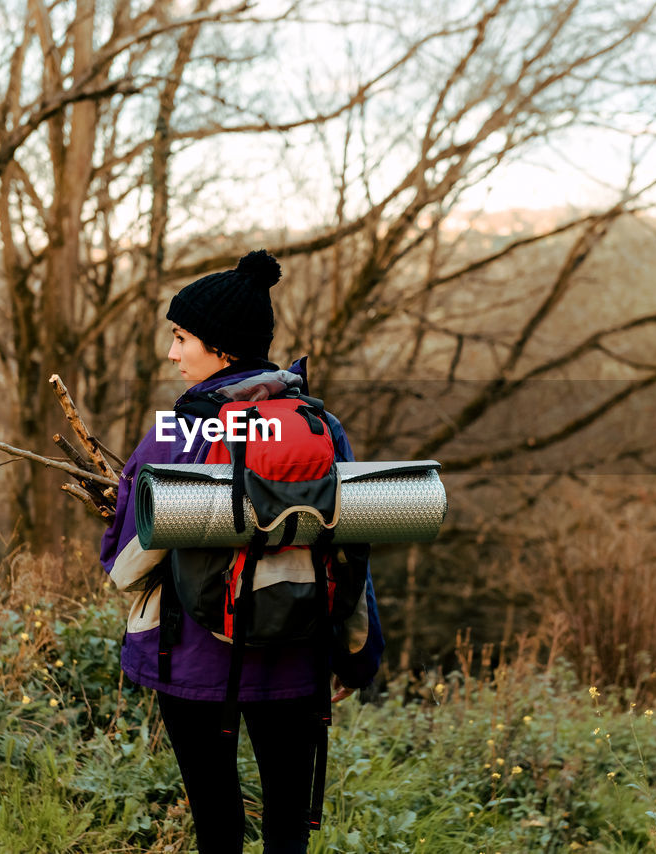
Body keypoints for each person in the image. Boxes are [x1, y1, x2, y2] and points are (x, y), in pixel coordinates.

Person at [99, 249, 385, 854]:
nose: (173, 353)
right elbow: (352, 547)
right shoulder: (319, 426)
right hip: (298, 658)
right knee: (288, 827)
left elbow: (124, 555)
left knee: (216, 826)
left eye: (181, 338)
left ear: (222, 348)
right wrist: (356, 656)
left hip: (195, 662)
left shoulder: (179, 431)